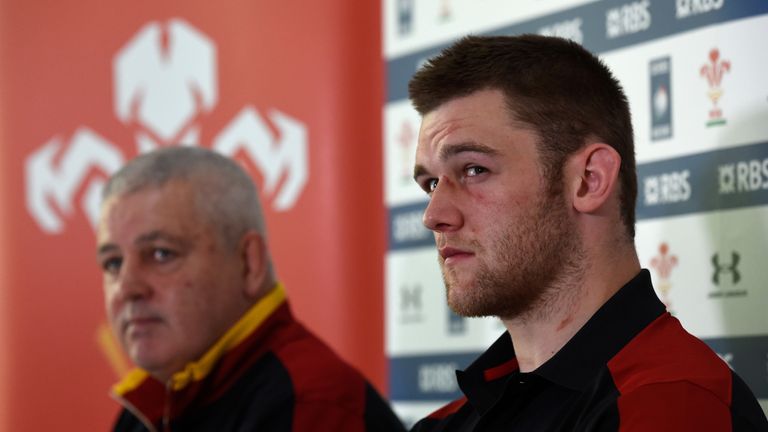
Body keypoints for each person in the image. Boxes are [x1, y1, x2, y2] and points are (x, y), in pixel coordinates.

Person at [408, 35, 768, 431]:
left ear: (589, 181)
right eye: (430, 184)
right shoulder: (444, 424)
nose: (434, 214)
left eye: (474, 170)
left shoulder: (671, 406)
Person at [96, 146, 405, 432]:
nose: (126, 288)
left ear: (249, 262)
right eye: (112, 263)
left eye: (162, 254)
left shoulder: (311, 405)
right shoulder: (148, 407)